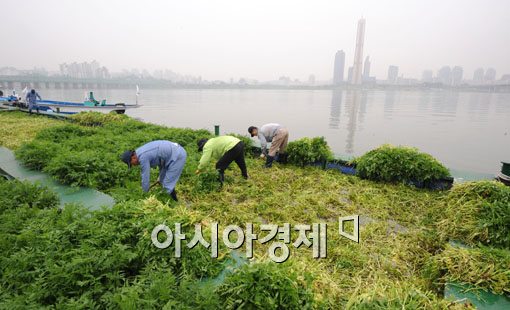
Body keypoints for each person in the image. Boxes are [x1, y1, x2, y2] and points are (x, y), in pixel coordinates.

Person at [121, 140, 187, 202]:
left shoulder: (143, 157)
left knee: (167, 185)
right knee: (162, 180)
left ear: (133, 157)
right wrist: (160, 177)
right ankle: (174, 200)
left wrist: (145, 194)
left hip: (177, 156)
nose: (134, 165)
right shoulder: (139, 152)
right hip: (170, 155)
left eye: (132, 163)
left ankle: (167, 206)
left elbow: (145, 177)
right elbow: (160, 159)